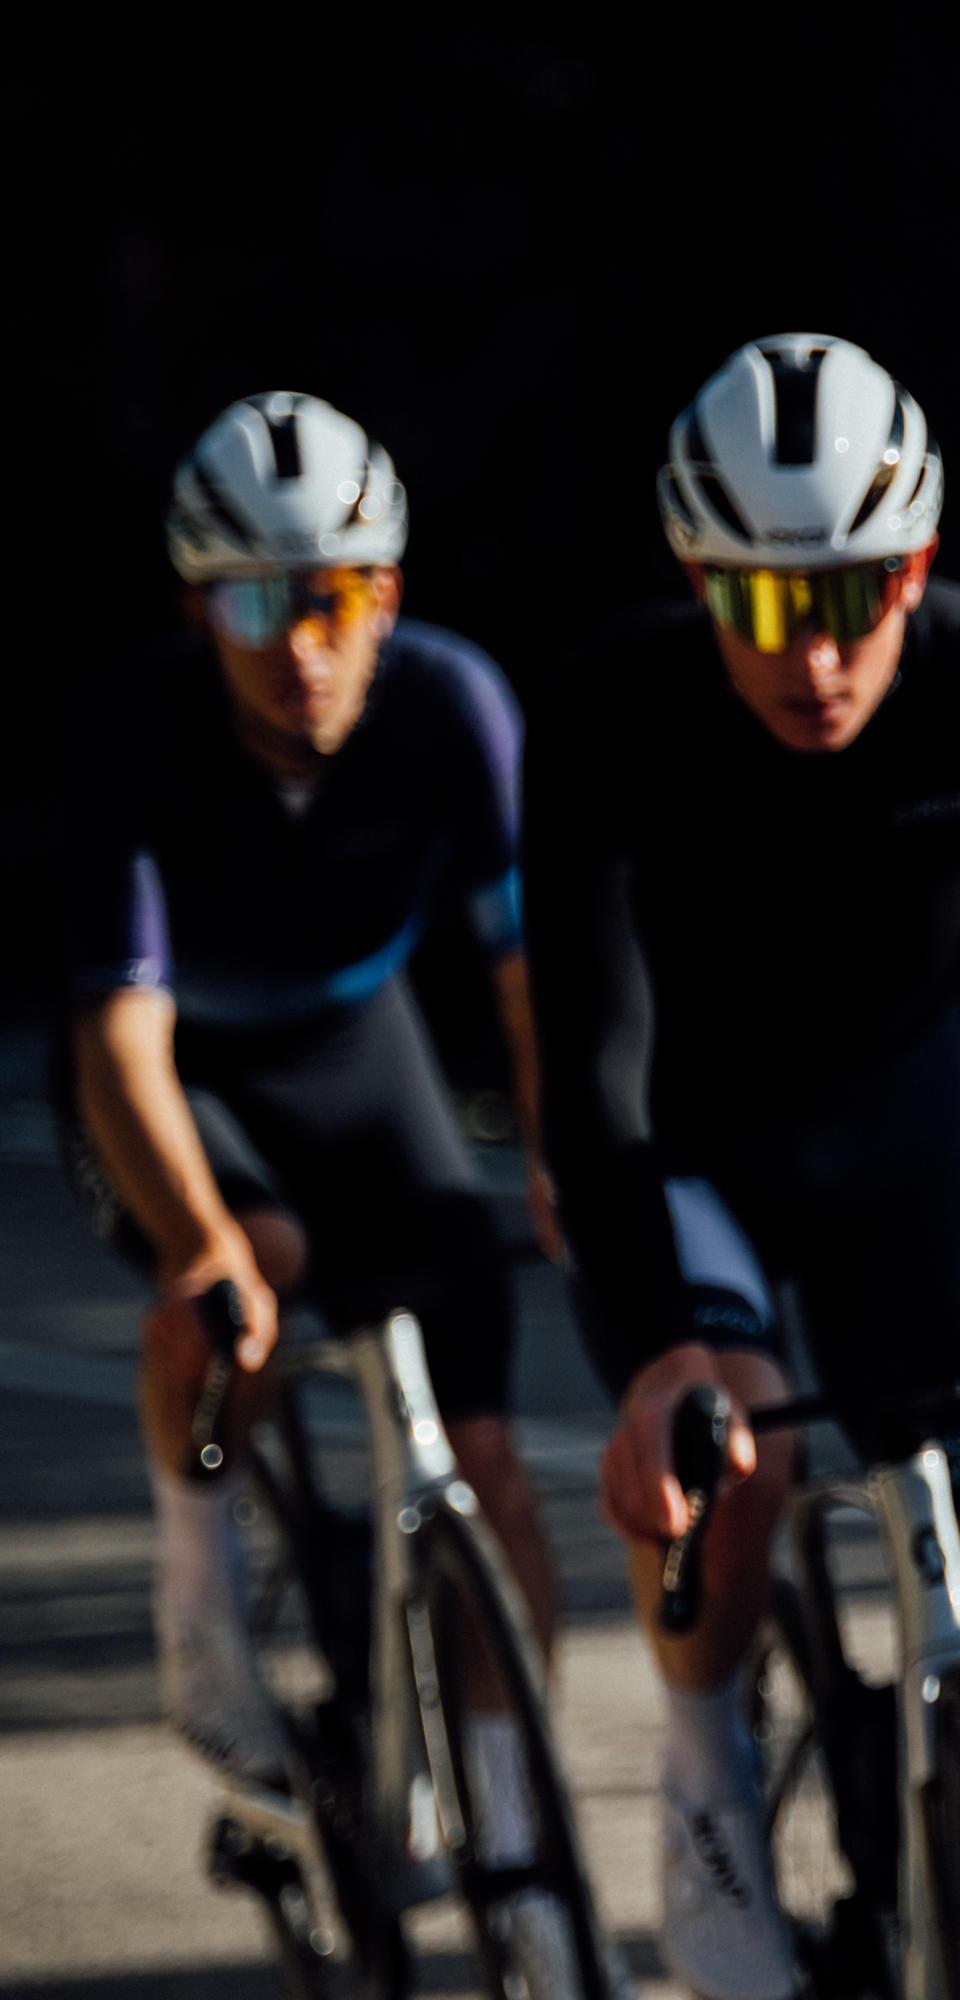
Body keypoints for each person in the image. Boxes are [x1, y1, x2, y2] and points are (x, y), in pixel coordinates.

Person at [520, 335, 960, 2000]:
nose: (814, 655)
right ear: (700, 579)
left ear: (918, 568)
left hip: (926, 1157)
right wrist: (653, 1350)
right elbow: (590, 1059)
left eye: (853, 598)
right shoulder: (614, 707)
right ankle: (703, 1777)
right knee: (735, 1451)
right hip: (694, 1150)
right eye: (761, 606)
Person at [54, 392, 562, 1891]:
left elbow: (535, 985)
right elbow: (119, 1041)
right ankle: (201, 1615)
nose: (300, 644)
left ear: (384, 594)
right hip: (179, 1073)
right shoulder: (136, 735)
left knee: (490, 1464)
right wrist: (199, 1242)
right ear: (201, 606)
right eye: (254, 603)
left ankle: (514, 1813)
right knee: (242, 1285)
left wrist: (555, 1148)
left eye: (332, 599)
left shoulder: (455, 708)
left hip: (359, 1049)